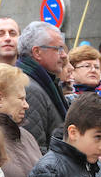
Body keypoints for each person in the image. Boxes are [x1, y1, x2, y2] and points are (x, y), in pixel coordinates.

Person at [17, 20, 68, 153]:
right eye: (58, 49)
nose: (64, 55)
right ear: (37, 52)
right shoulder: (29, 89)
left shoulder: (45, 82)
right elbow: (36, 149)